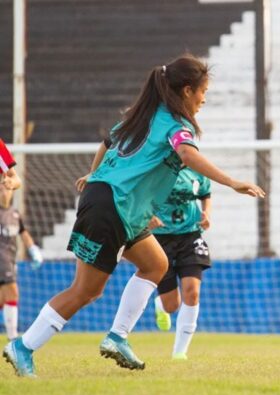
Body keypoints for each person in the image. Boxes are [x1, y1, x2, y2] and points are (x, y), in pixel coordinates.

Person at [3, 54, 265, 378]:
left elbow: (107, 143)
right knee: (86, 291)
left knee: (156, 263)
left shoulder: (142, 116)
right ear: (186, 90)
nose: (204, 98)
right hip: (112, 206)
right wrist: (232, 182)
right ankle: (23, 347)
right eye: (203, 91)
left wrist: (94, 175)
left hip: (113, 203)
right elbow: (185, 153)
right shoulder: (176, 125)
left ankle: (117, 337)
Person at [148, 167, 212, 360]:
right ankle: (161, 305)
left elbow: (205, 193)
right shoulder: (154, 168)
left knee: (192, 291)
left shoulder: (197, 169)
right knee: (171, 306)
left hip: (190, 235)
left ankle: (180, 352)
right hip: (160, 239)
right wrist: (147, 216)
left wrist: (206, 213)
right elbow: (137, 196)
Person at [0, 184, 44, 341]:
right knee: (13, 293)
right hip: (2, 260)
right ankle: (13, 338)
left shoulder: (14, 214)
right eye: (0, 189)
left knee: (3, 299)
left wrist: (33, 250)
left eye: (7, 188)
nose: (4, 191)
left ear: (12, 192)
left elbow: (23, 233)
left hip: (10, 259)